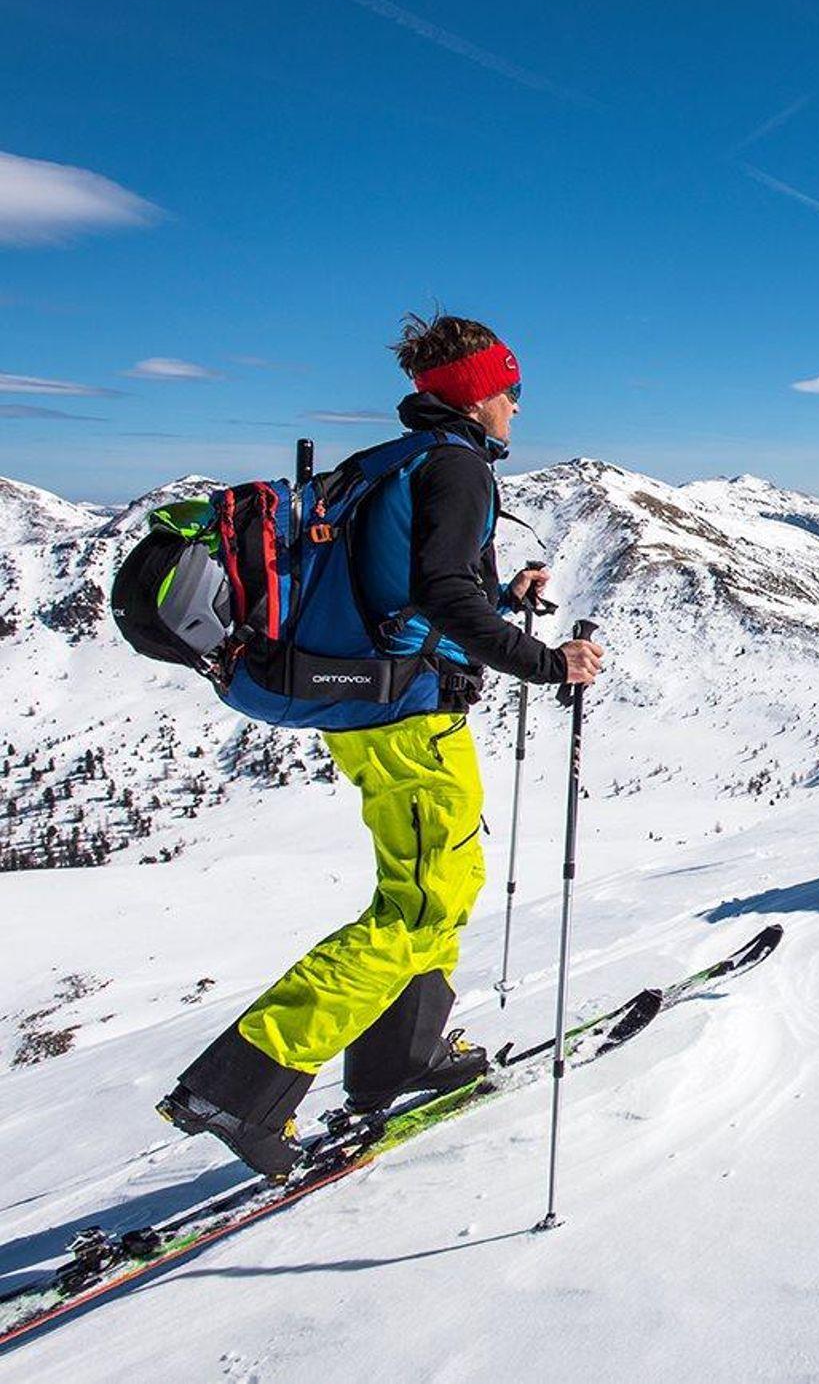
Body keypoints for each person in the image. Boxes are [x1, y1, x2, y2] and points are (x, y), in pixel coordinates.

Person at [158, 312, 606, 1177]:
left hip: (377, 708)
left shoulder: (390, 461)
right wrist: (550, 664)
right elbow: (441, 597)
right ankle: (241, 1085)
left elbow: (396, 585)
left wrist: (502, 592)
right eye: (511, 388)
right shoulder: (458, 468)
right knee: (419, 908)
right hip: (410, 719)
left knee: (440, 883)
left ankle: (403, 1055)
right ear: (477, 394)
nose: (518, 405)